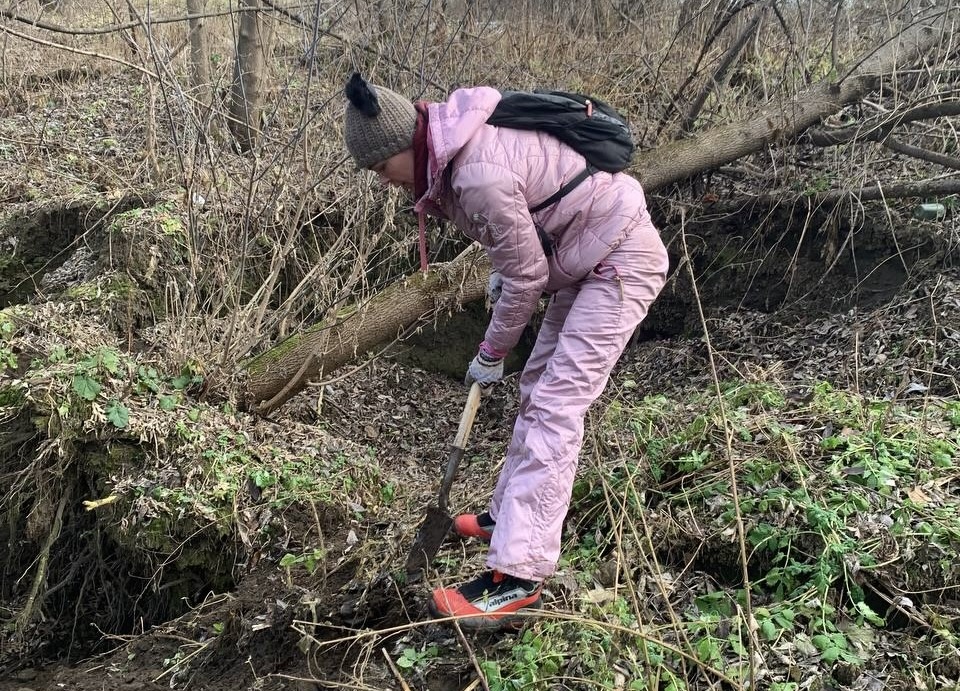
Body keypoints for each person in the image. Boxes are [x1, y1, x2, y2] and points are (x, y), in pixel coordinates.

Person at [342, 73, 668, 630]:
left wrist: (492, 349)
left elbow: (526, 275)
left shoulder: (475, 174)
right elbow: (526, 227)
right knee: (535, 390)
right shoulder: (457, 150)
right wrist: (504, 273)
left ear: (408, 146)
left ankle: (517, 576)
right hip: (582, 258)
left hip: (619, 261)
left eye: (380, 167)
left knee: (555, 407)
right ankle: (507, 517)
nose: (382, 180)